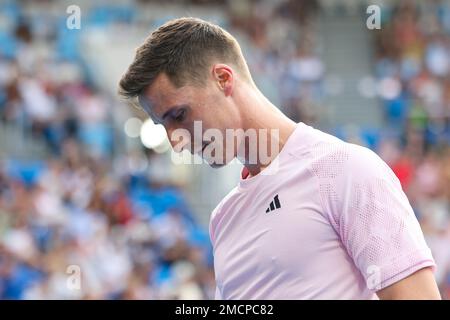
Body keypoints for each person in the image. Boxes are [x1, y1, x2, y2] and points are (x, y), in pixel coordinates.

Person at [118, 17, 441, 299]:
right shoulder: (223, 217)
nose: (176, 141)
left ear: (223, 79)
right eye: (165, 125)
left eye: (179, 114)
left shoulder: (345, 170)